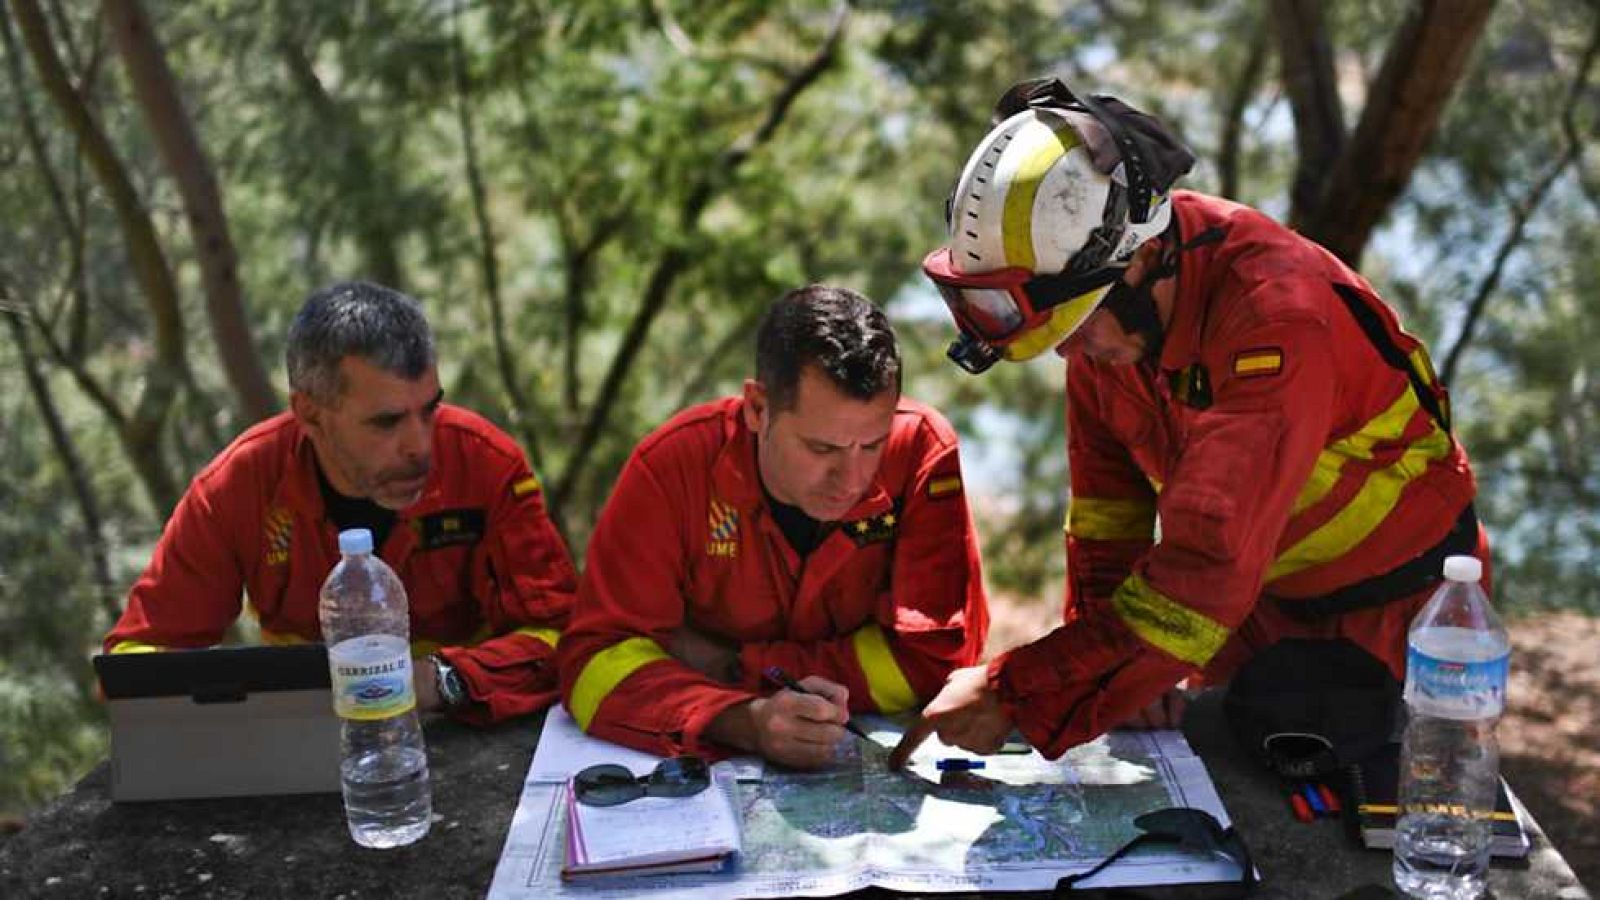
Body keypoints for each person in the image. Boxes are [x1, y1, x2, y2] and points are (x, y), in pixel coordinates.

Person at [891, 79, 1485, 766]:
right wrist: (1118, 676)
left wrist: (1016, 690)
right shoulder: (1108, 315)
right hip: (1251, 609)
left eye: (1077, 327)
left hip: (1400, 622)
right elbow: (1107, 522)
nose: (1067, 351)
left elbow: (1206, 567)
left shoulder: (1276, 323)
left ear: (1144, 257)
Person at [105, 281, 577, 724]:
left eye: (429, 409)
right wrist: (235, 714)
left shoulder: (485, 464)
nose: (420, 446)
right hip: (310, 742)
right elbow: (136, 661)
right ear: (310, 413)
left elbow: (566, 639)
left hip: (465, 721)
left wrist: (439, 680)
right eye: (387, 422)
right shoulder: (239, 486)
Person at [558, 284, 989, 769]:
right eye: (821, 449)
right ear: (757, 409)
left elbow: (935, 659)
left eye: (873, 445)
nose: (852, 480)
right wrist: (744, 721)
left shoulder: (922, 452)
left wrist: (732, 664)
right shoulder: (671, 468)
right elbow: (594, 662)